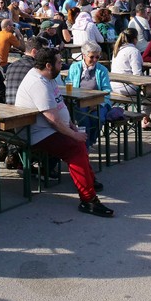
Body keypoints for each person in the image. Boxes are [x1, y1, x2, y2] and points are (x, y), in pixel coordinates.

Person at [14, 48, 113, 217]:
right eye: (59, 62)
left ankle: (88, 180)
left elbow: (60, 105)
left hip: (48, 129)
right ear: (48, 65)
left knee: (79, 142)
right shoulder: (38, 83)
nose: (62, 65)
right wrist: (73, 134)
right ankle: (88, 200)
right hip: (36, 133)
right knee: (75, 148)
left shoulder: (48, 77)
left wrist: (72, 126)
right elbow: (52, 120)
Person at [65, 40, 113, 146]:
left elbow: (107, 90)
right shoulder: (75, 67)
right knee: (84, 121)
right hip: (79, 101)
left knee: (99, 119)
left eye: (97, 57)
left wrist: (98, 103)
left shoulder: (102, 70)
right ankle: (85, 147)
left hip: (98, 102)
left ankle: (90, 141)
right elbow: (68, 84)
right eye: (92, 57)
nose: (95, 60)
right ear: (84, 55)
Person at [109, 28, 151, 130]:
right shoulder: (133, 51)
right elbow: (137, 75)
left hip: (114, 85)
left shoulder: (117, 49)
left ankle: (145, 119)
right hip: (127, 87)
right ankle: (145, 119)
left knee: (148, 89)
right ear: (135, 39)